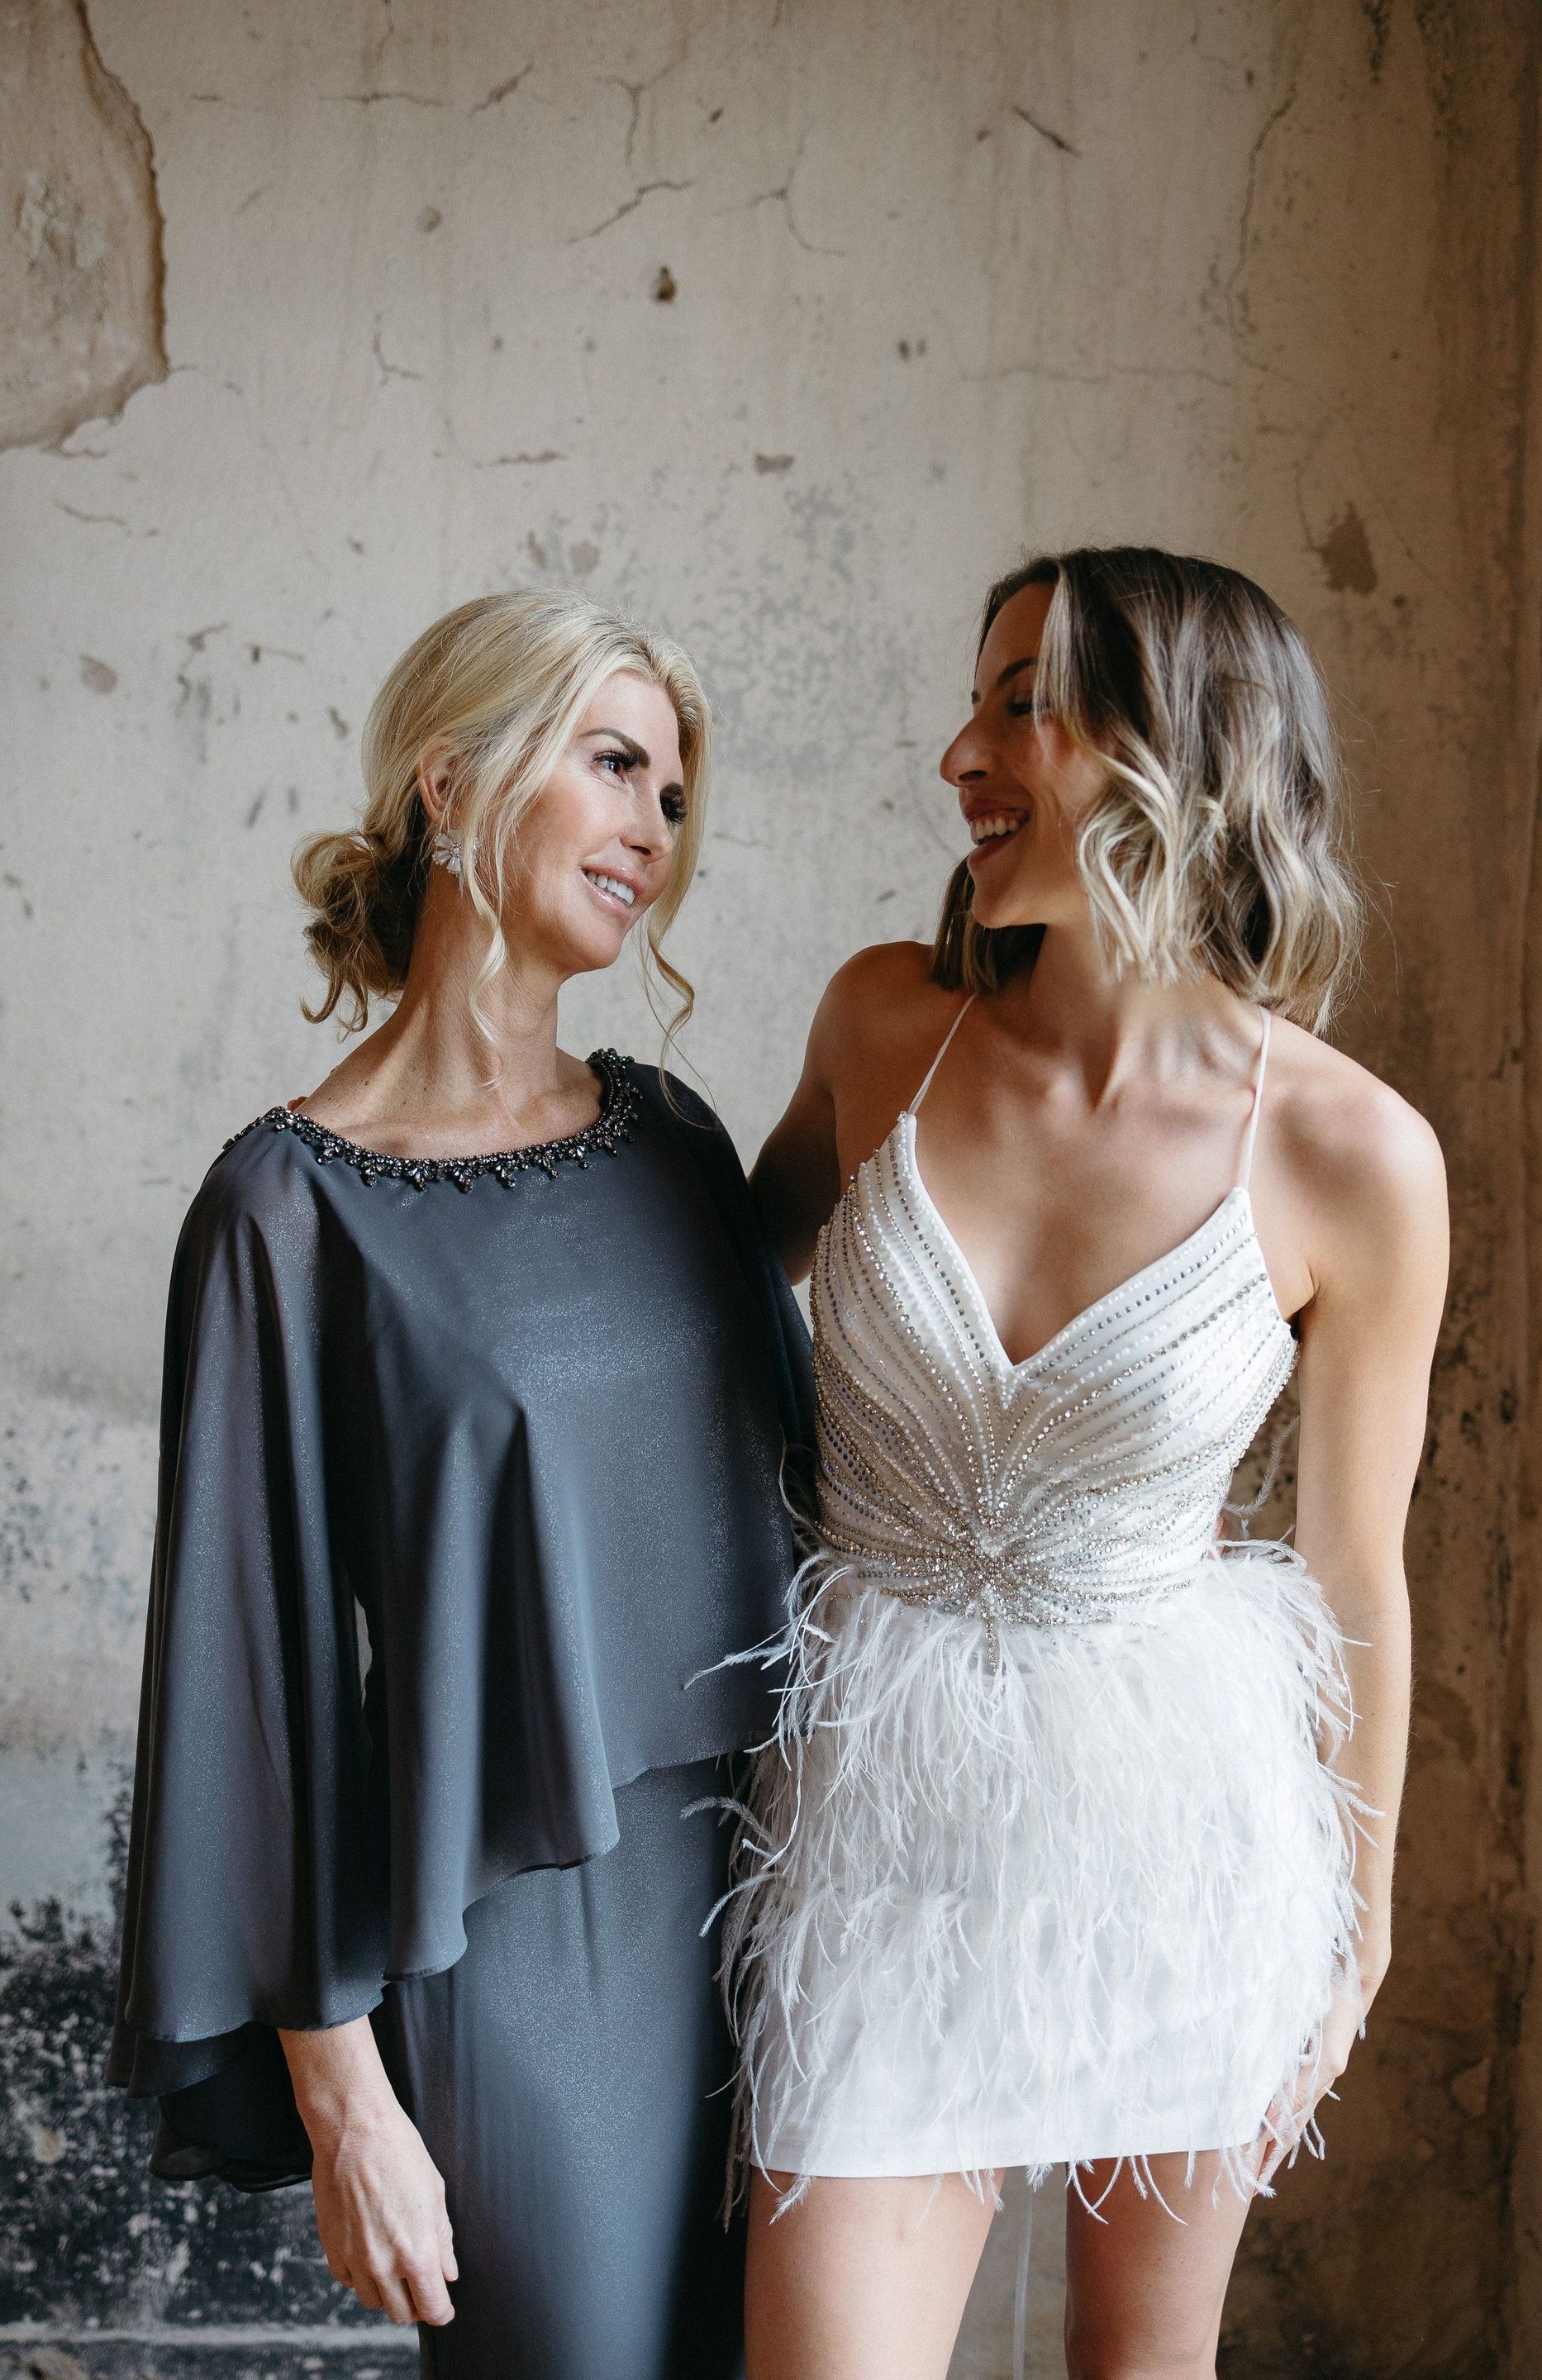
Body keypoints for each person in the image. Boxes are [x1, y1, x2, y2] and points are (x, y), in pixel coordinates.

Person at [726, 549, 1447, 2380]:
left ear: (1182, 747)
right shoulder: (883, 1025)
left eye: (1024, 705)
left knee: (1141, 2370)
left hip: (1181, 1833)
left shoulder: (1354, 1156)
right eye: (975, 701)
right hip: (879, 1823)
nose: (960, 754)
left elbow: (1356, 1574)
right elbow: (696, 1311)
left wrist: (1359, 1931)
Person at [107, 589, 811, 2380]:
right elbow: (252, 1696)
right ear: (450, 781)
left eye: (674, 793)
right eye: (614, 764)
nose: (655, 828)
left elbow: (815, 1512)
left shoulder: (676, 1140)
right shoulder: (285, 1212)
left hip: (791, 1918)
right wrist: (346, 2103)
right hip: (520, 1960)